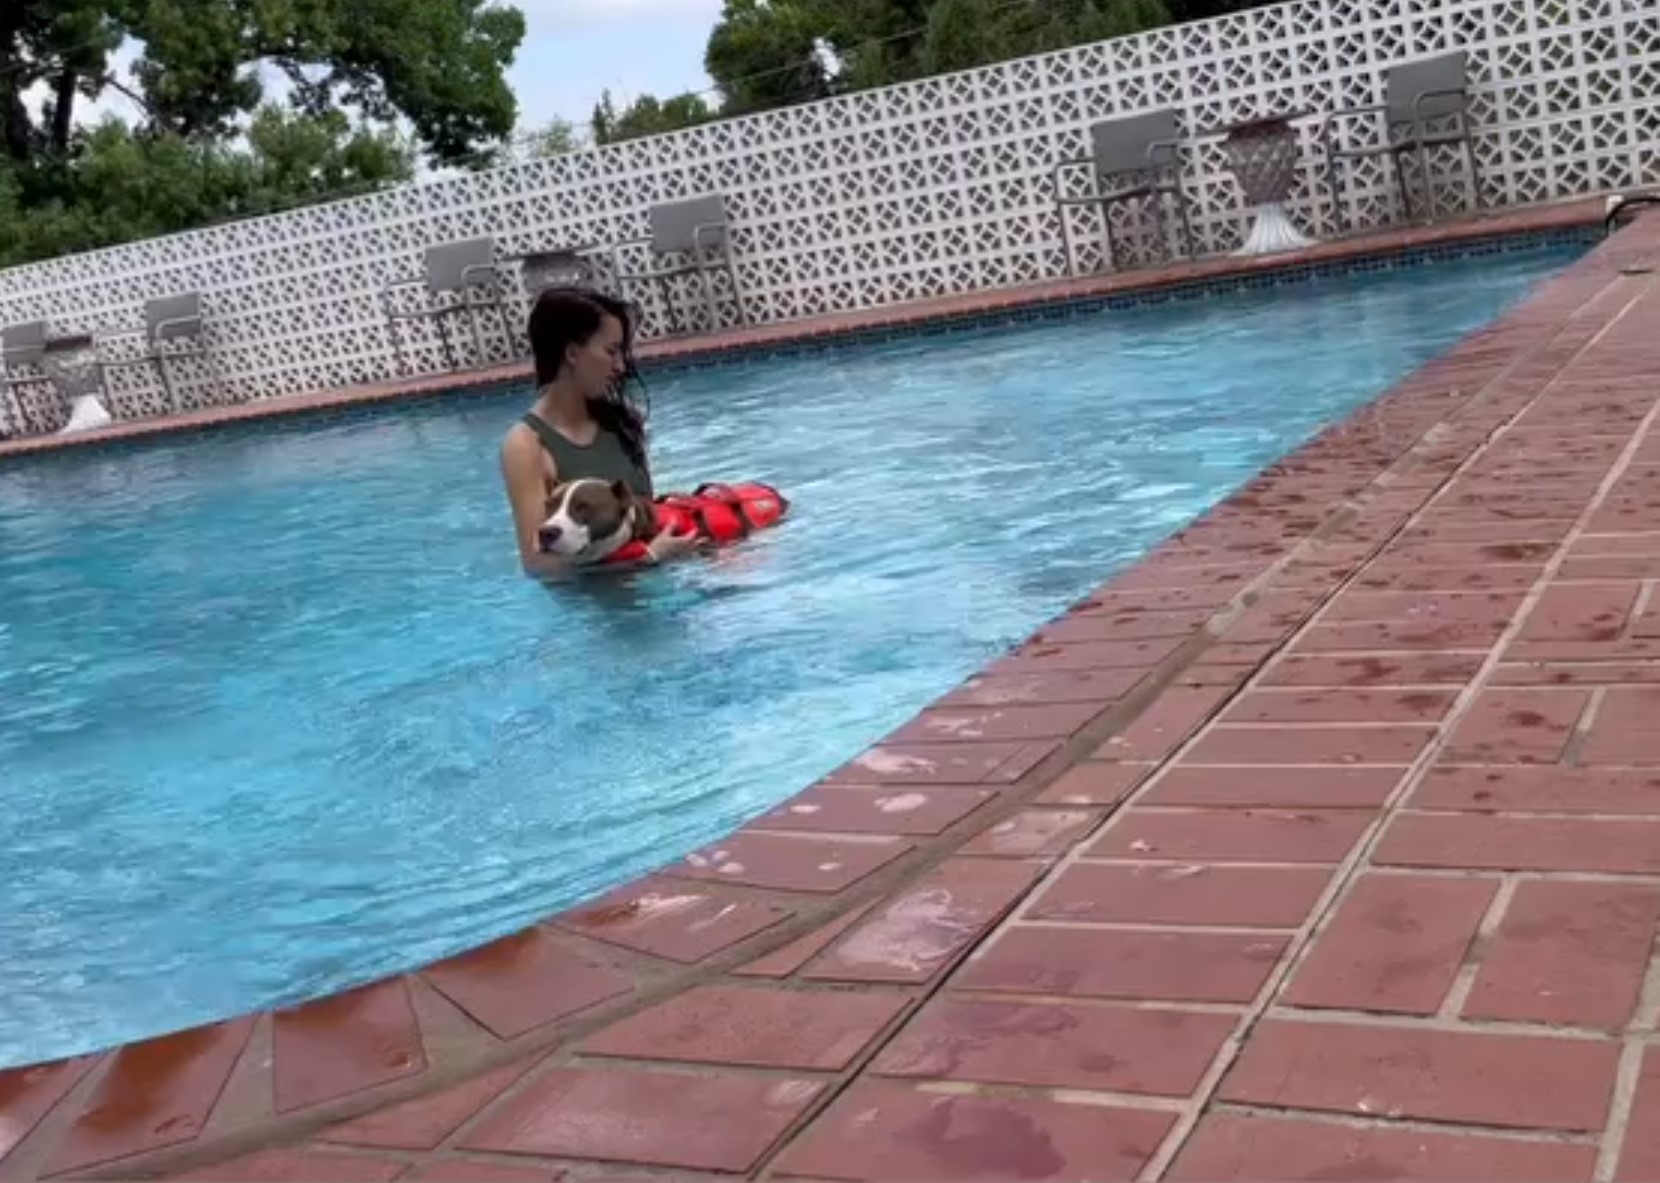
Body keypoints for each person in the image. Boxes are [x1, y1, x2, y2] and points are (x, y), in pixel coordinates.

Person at [500, 287, 702, 577]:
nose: (620, 365)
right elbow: (538, 564)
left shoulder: (621, 422)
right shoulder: (525, 444)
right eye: (611, 351)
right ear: (572, 353)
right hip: (598, 612)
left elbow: (637, 521)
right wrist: (645, 559)